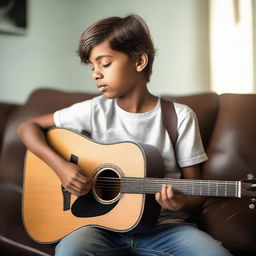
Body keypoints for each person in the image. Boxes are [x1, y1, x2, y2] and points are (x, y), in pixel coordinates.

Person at [17, 14, 233, 256]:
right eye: (92, 66)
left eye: (105, 63)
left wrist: (180, 203)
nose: (95, 74)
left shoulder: (180, 117)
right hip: (97, 227)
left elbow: (197, 193)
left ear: (139, 61)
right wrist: (60, 167)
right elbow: (27, 127)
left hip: (166, 229)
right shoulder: (92, 110)